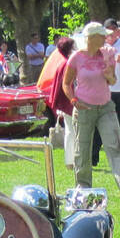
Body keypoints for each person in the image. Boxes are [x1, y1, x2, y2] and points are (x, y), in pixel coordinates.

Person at [62, 22, 120, 198]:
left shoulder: (107, 54)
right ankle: (83, 187)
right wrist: (73, 100)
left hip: (106, 106)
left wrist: (109, 75)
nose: (106, 38)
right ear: (91, 38)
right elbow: (66, 83)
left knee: (114, 145)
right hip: (83, 107)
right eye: (102, 35)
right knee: (83, 149)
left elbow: (112, 81)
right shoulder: (76, 58)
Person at [91, 19, 120, 171]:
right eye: (108, 30)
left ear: (118, 31)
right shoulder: (100, 47)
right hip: (104, 91)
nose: (112, 33)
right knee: (99, 124)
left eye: (114, 29)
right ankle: (94, 156)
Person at [40, 36, 77, 174]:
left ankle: (71, 160)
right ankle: (71, 160)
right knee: (71, 131)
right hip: (70, 102)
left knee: (71, 130)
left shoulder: (65, 63)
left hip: (69, 102)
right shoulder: (67, 64)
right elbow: (65, 85)